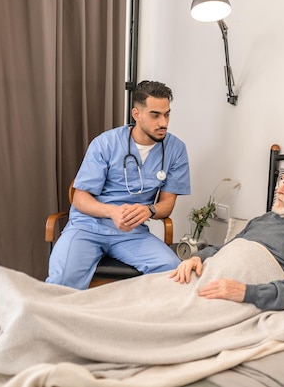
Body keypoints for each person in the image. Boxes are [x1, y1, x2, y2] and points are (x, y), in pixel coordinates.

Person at [47, 80, 190, 289]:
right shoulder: (106, 143)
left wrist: (149, 210)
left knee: (173, 273)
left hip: (131, 233)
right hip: (88, 227)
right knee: (61, 283)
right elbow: (80, 197)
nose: (163, 123)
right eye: (155, 115)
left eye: (167, 114)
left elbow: (167, 203)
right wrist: (112, 212)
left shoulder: (176, 150)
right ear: (136, 114)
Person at [169, 163, 284, 311]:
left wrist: (247, 292)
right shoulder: (263, 219)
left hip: (237, 295)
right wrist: (196, 258)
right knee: (154, 292)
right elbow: (226, 248)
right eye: (282, 181)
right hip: (207, 274)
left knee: (169, 313)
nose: (279, 189)